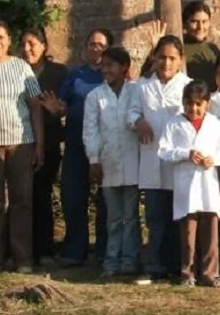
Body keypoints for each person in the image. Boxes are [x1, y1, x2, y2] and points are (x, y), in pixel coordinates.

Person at [0, 20, 43, 274]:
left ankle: (22, 258)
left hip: (20, 143)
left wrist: (39, 144)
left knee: (21, 201)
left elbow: (35, 106)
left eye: (1, 37)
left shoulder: (21, 67)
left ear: (9, 41)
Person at [128, 35, 192, 282]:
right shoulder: (142, 86)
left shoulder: (188, 85)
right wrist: (138, 121)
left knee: (178, 217)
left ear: (180, 61)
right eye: (162, 57)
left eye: (172, 58)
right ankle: (155, 265)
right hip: (152, 160)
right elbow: (131, 112)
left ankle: (178, 265)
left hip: (178, 163)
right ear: (154, 58)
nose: (166, 63)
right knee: (155, 218)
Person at [158, 80, 220, 288]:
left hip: (208, 184)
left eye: (199, 104)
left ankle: (210, 274)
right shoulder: (174, 124)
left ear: (207, 104)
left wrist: (213, 159)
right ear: (183, 103)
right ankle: (187, 273)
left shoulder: (215, 124)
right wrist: (185, 154)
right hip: (186, 186)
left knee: (211, 231)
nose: (194, 109)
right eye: (190, 104)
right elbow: (163, 150)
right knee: (188, 233)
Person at [82, 46, 141, 278]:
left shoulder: (135, 91)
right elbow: (90, 131)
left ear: (124, 67)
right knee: (114, 218)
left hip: (133, 162)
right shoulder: (95, 96)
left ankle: (130, 260)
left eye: (110, 65)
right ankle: (111, 260)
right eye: (103, 66)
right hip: (108, 163)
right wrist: (94, 160)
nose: (105, 70)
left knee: (132, 216)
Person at [57, 28, 113, 267]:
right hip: (76, 145)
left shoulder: (113, 76)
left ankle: (104, 249)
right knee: (73, 197)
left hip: (107, 146)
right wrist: (56, 108)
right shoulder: (75, 76)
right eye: (92, 44)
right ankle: (75, 250)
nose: (96, 49)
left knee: (107, 199)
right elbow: (62, 104)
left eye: (101, 45)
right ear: (85, 48)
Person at [19, 27, 67, 264]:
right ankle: (21, 249)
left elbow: (65, 104)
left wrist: (57, 109)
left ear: (44, 46)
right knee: (21, 196)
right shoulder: (15, 69)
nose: (28, 49)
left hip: (49, 141)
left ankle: (45, 248)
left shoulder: (58, 73)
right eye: (24, 44)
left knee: (42, 194)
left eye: (33, 43)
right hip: (19, 140)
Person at [181, 0, 220, 88]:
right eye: (194, 21)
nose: (200, 27)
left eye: (204, 22)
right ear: (184, 23)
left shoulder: (213, 49)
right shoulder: (178, 48)